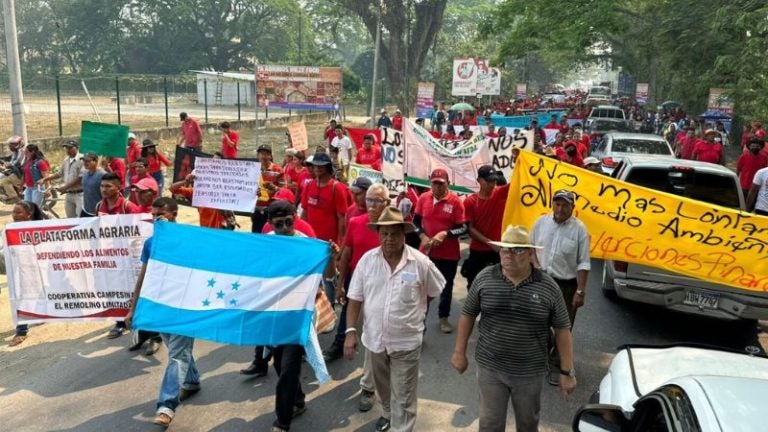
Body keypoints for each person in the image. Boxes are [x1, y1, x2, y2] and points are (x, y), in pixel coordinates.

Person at [451, 225, 577, 432]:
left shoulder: (548, 286)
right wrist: (459, 352)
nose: (509, 254)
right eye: (505, 248)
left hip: (529, 372)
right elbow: (468, 314)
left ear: (530, 254)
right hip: (490, 368)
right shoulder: (484, 278)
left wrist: (567, 371)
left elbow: (563, 329)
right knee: (490, 424)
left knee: (528, 424)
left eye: (517, 249)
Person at [344, 207, 446, 432]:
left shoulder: (420, 263)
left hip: (406, 343)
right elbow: (355, 299)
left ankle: (401, 427)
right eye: (384, 233)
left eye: (394, 234)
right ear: (378, 234)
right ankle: (388, 414)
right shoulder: (367, 261)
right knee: (385, 389)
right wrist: (350, 331)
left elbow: (434, 290)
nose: (389, 239)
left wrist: (413, 313)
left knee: (405, 396)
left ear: (404, 235)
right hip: (375, 341)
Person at [124, 197, 200, 428]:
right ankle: (192, 380)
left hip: (185, 306)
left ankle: (166, 405)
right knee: (178, 349)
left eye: (161, 215)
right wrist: (133, 308)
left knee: (177, 354)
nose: (156, 219)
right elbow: (144, 275)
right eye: (153, 215)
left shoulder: (191, 238)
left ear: (174, 214)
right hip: (160, 306)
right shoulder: (151, 243)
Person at [323, 184, 390, 415]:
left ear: (387, 204)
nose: (371, 205)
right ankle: (341, 345)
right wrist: (341, 286)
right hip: (358, 287)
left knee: (374, 339)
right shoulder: (355, 223)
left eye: (377, 201)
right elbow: (347, 255)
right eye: (369, 200)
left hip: (385, 290)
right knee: (357, 330)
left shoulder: (394, 228)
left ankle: (368, 387)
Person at [530, 189, 590, 385]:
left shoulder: (579, 229)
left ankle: (557, 363)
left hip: (566, 285)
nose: (560, 208)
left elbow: (583, 263)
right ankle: (541, 355)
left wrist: (580, 291)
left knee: (563, 325)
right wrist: (535, 268)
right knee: (537, 321)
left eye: (565, 205)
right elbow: (530, 248)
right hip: (541, 279)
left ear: (572, 207)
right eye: (557, 204)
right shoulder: (541, 223)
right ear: (552, 204)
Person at [414, 168, 466, 334]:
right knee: (422, 287)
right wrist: (422, 236)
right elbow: (415, 222)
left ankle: (444, 317)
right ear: (430, 183)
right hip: (426, 253)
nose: (437, 188)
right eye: (434, 184)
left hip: (448, 254)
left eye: (441, 184)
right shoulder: (423, 198)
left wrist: (445, 234)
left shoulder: (456, 202)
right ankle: (420, 322)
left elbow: (463, 227)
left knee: (446, 287)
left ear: (447, 184)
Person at [98, 172, 143, 339]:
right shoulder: (99, 206)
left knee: (132, 289)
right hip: (110, 257)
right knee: (115, 290)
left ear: (119, 188)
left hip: (128, 258)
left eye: (108, 186)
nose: (104, 189)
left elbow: (139, 231)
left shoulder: (128, 207)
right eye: (102, 186)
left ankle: (139, 323)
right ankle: (119, 322)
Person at [462, 166, 509, 290]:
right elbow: (470, 229)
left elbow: (520, 181)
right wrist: (490, 243)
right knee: (474, 287)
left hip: (497, 252)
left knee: (497, 289)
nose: (492, 184)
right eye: (488, 181)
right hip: (478, 252)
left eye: (494, 180)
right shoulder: (470, 201)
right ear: (479, 180)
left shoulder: (500, 193)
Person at [6, 200, 46, 347]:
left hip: (35, 267)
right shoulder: (10, 228)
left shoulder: (39, 228)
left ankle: (21, 331)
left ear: (28, 215)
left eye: (18, 212)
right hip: (18, 267)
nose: (14, 215)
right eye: (13, 212)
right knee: (21, 296)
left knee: (25, 297)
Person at [40, 140, 83, 218]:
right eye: (66, 148)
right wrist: (45, 179)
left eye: (70, 148)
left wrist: (65, 187)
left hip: (80, 193)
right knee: (70, 217)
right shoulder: (66, 160)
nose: (68, 150)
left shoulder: (82, 159)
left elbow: (80, 178)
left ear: (76, 148)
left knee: (81, 217)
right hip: (69, 194)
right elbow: (59, 173)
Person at [252, 144, 284, 233]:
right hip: (256, 208)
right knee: (256, 234)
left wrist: (274, 188)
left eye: (266, 154)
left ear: (270, 156)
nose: (263, 156)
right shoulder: (252, 169)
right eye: (261, 154)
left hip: (272, 210)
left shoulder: (278, 170)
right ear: (257, 155)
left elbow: (284, 191)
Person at [73, 152, 106, 217]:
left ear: (96, 161)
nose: (85, 163)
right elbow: (87, 187)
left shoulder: (103, 175)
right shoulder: (85, 173)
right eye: (84, 160)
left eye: (88, 161)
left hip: (97, 212)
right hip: (85, 210)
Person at [0, 135, 26, 202]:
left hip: (21, 174)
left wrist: (6, 166)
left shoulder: (22, 152)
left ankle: (15, 198)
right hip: (17, 172)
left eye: (13, 144)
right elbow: (10, 159)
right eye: (10, 144)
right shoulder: (16, 152)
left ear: (19, 144)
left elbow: (17, 162)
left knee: (5, 181)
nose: (10, 146)